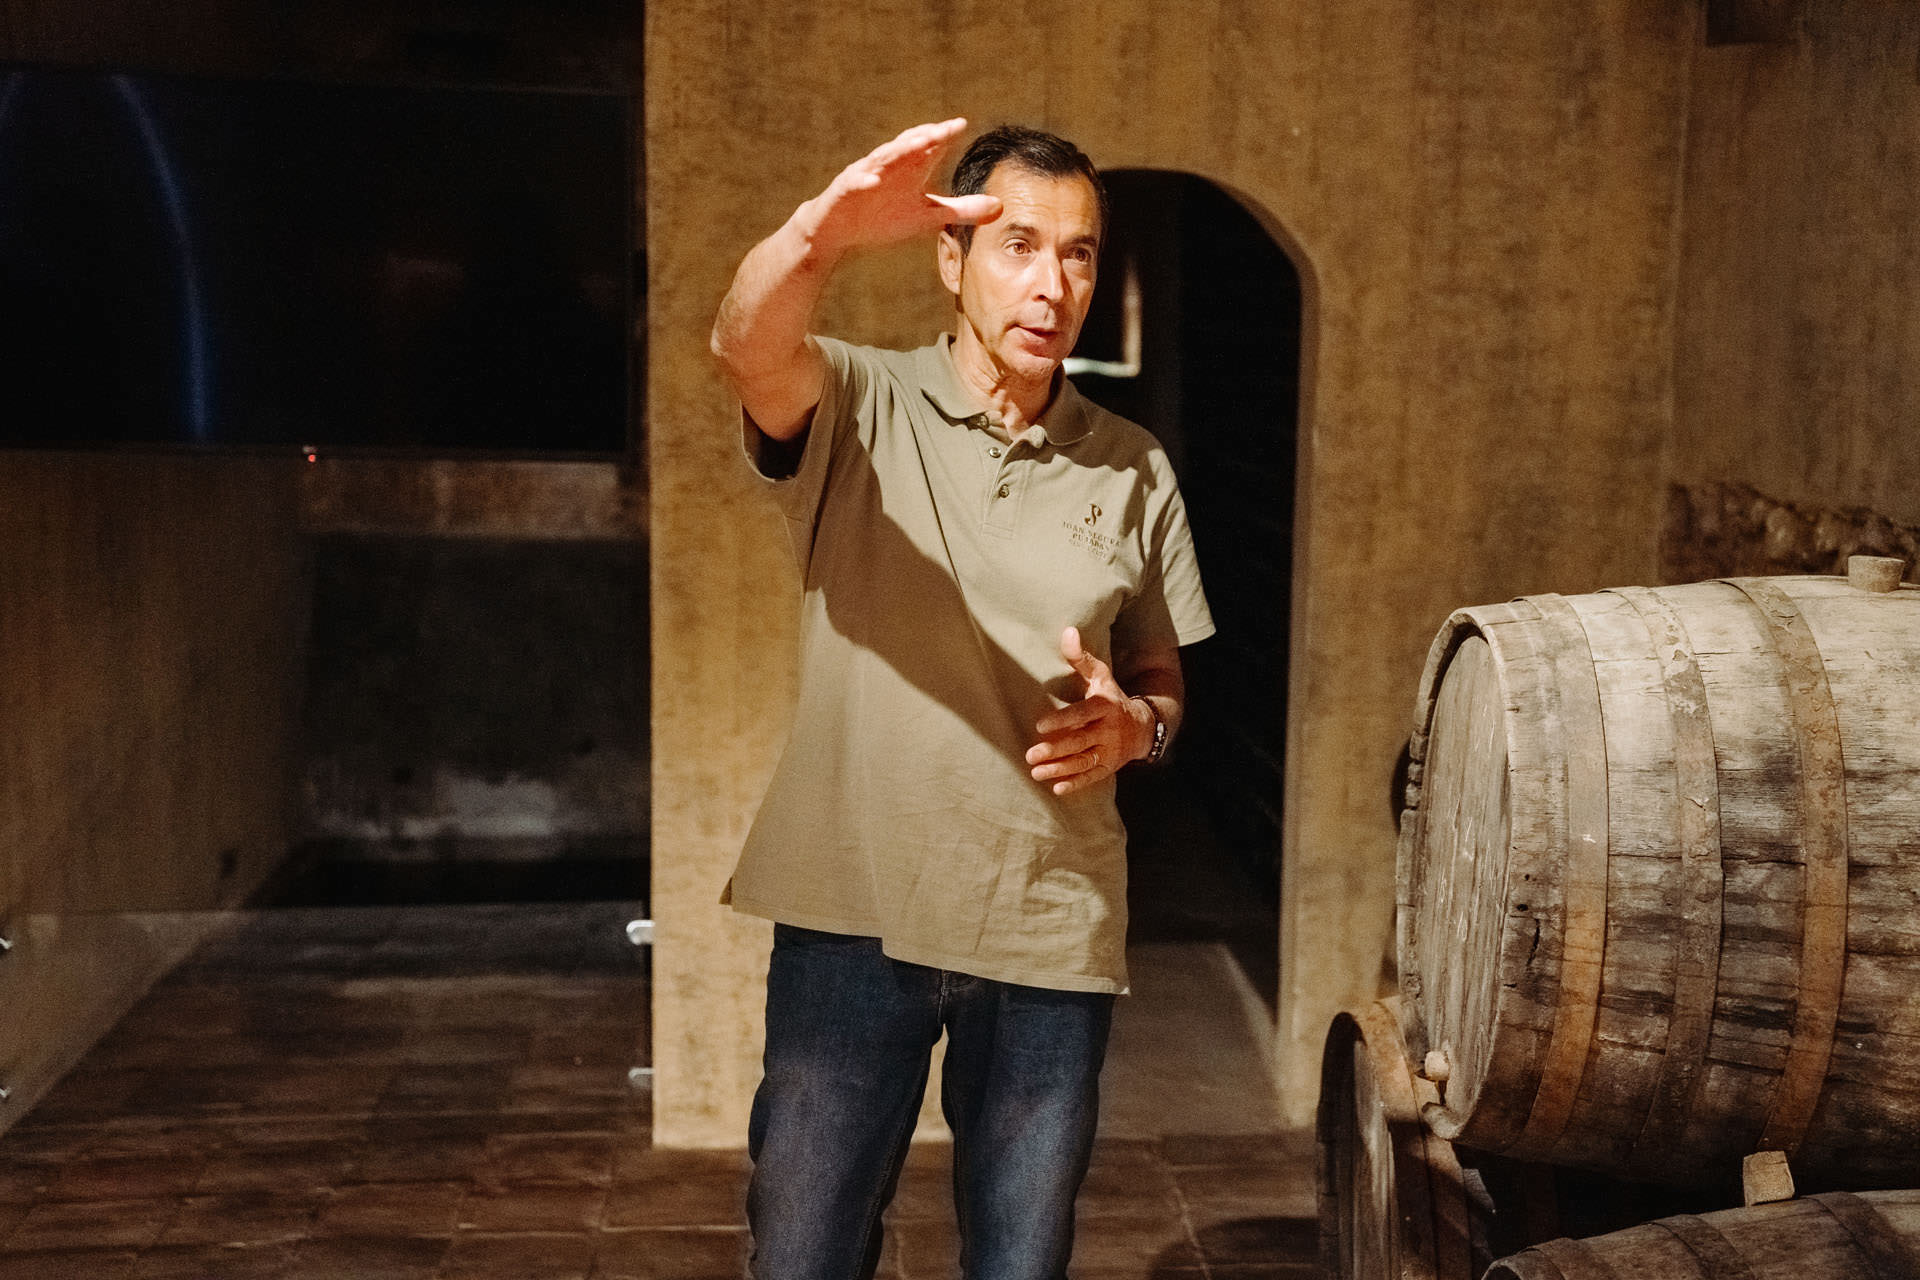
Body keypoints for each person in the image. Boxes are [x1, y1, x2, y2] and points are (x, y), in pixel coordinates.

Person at [710, 117, 1215, 1280]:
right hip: (853, 907)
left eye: (1078, 254)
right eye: (1019, 245)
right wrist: (820, 237)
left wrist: (1138, 729)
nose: (1052, 284)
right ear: (954, 258)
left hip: (1047, 914)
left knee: (1019, 1260)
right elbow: (743, 344)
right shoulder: (860, 400)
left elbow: (1160, 678)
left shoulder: (1132, 463)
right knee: (802, 1250)